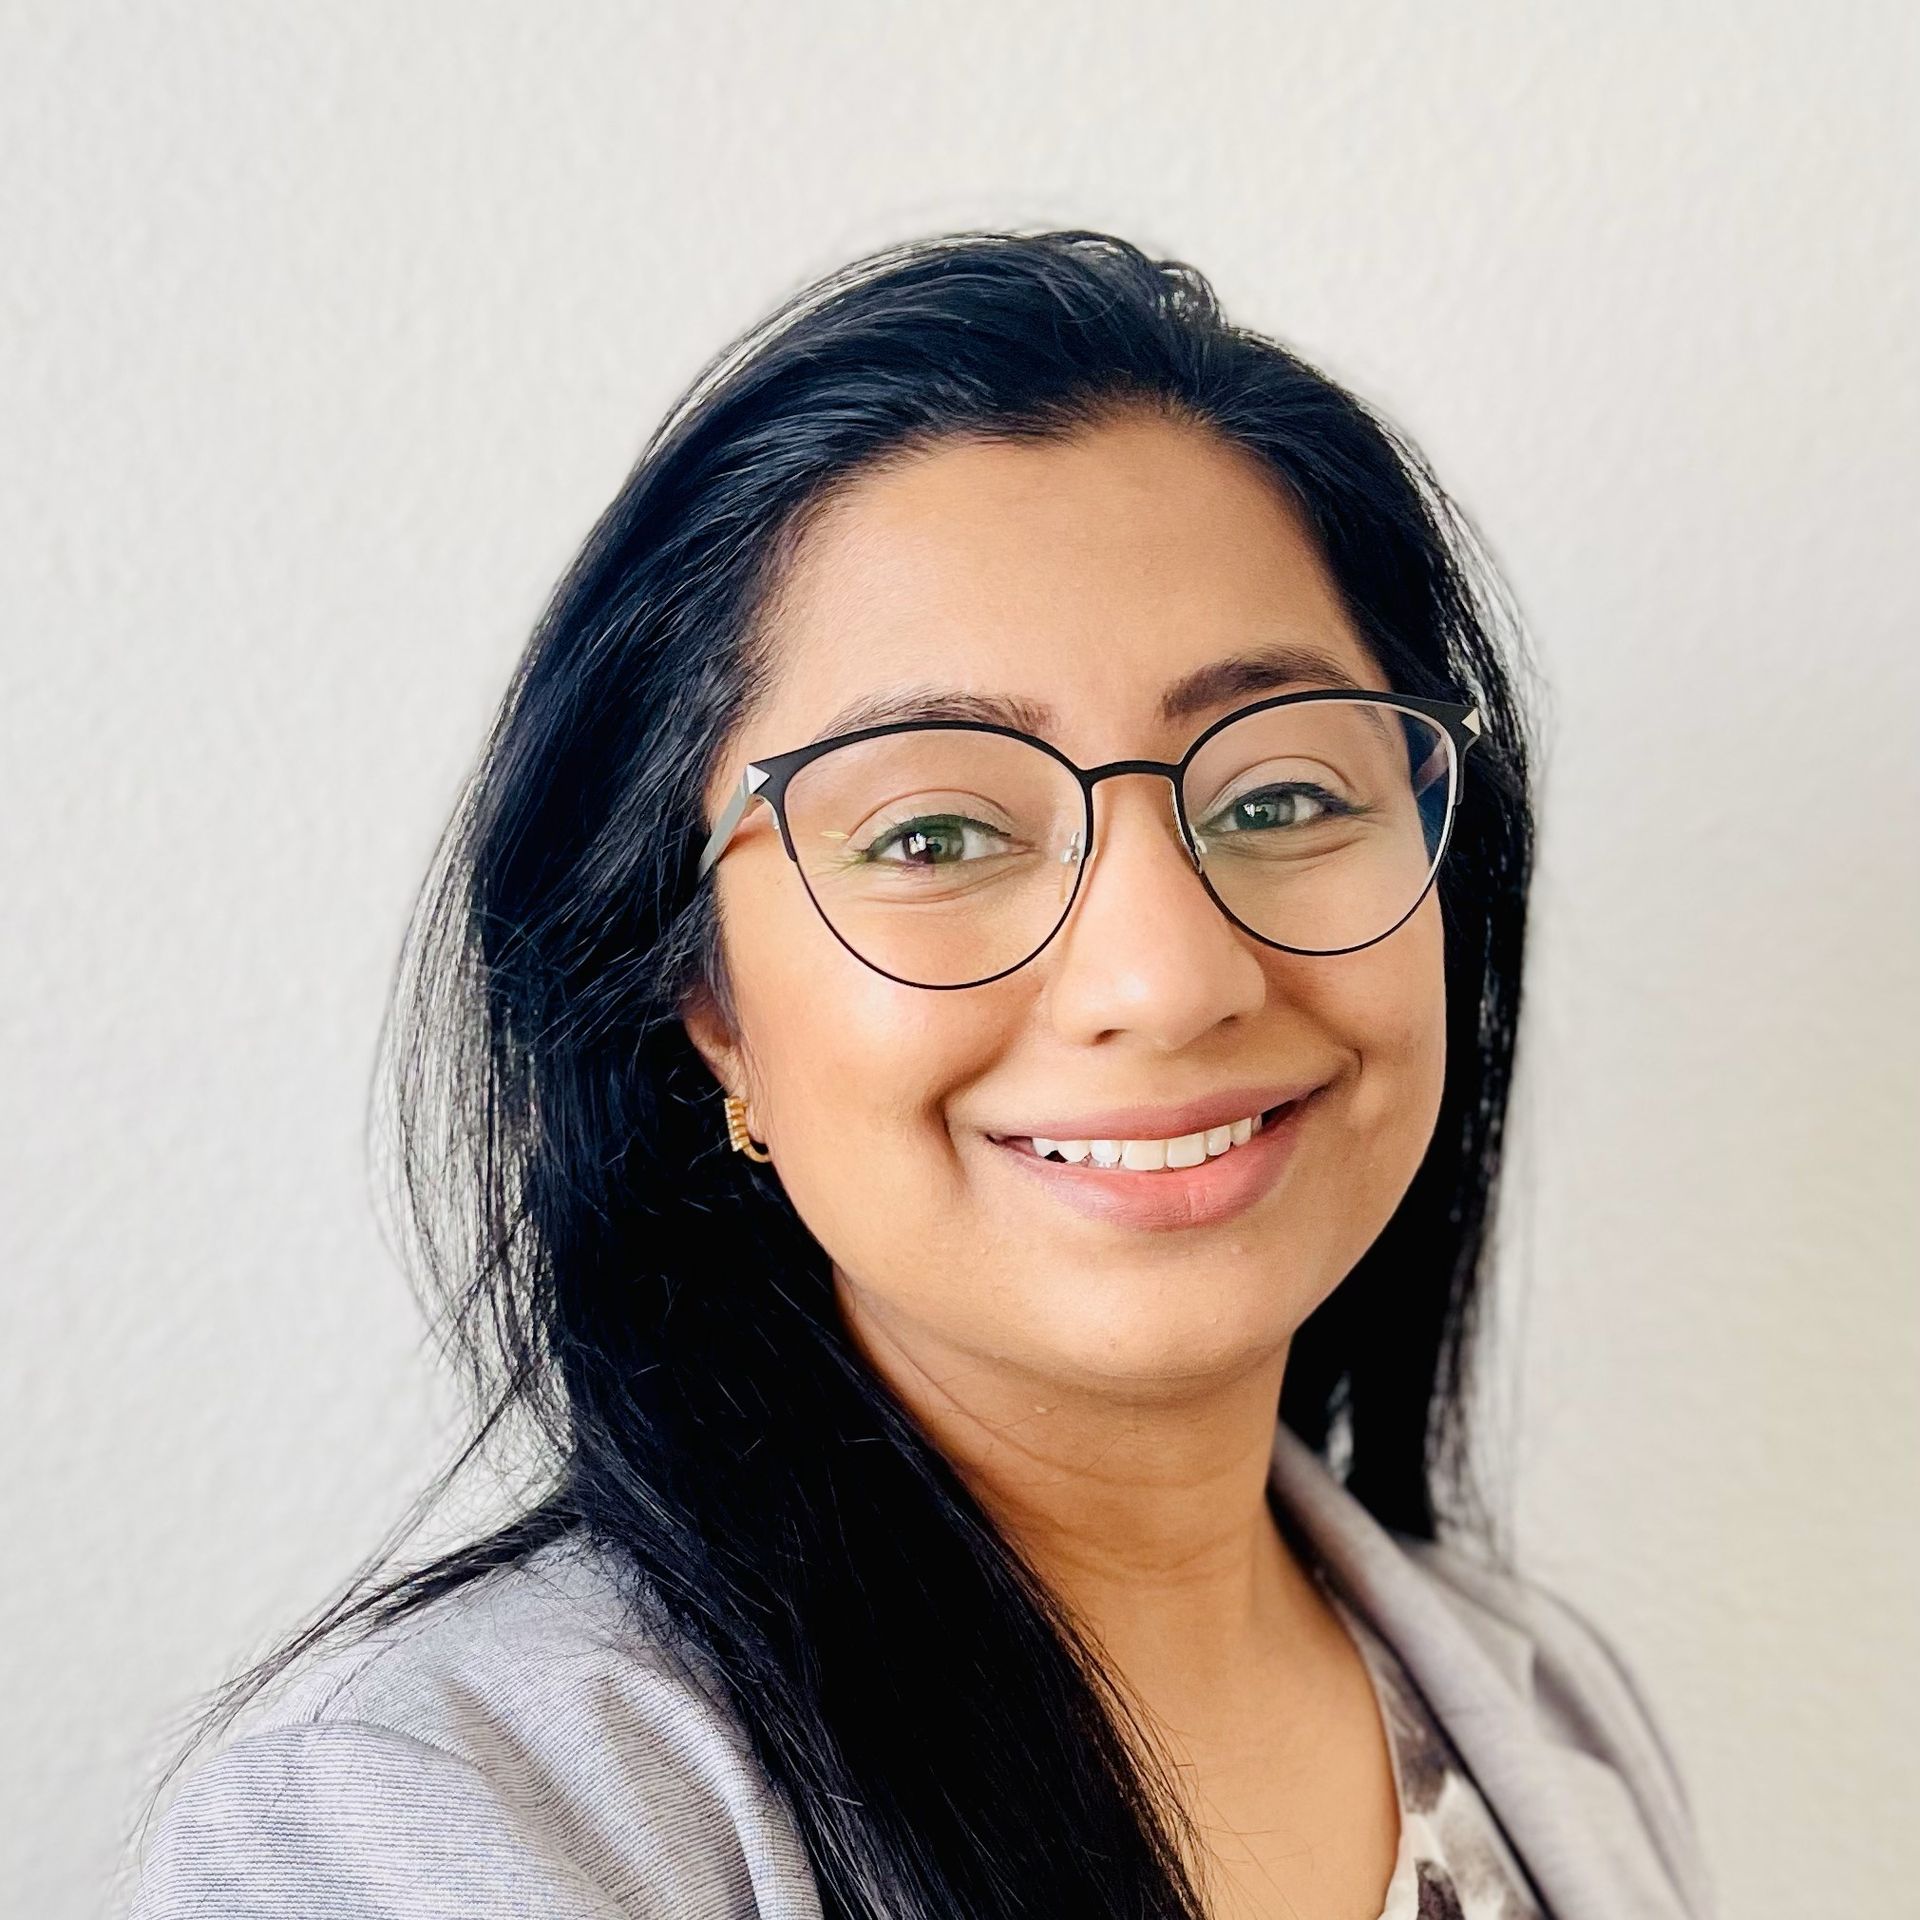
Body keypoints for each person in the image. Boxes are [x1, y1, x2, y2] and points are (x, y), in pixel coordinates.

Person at [123, 229, 1715, 1920]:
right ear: (706, 1000)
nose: (1166, 978)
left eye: (1279, 797)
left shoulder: (1557, 1719)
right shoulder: (428, 1825)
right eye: (936, 831)